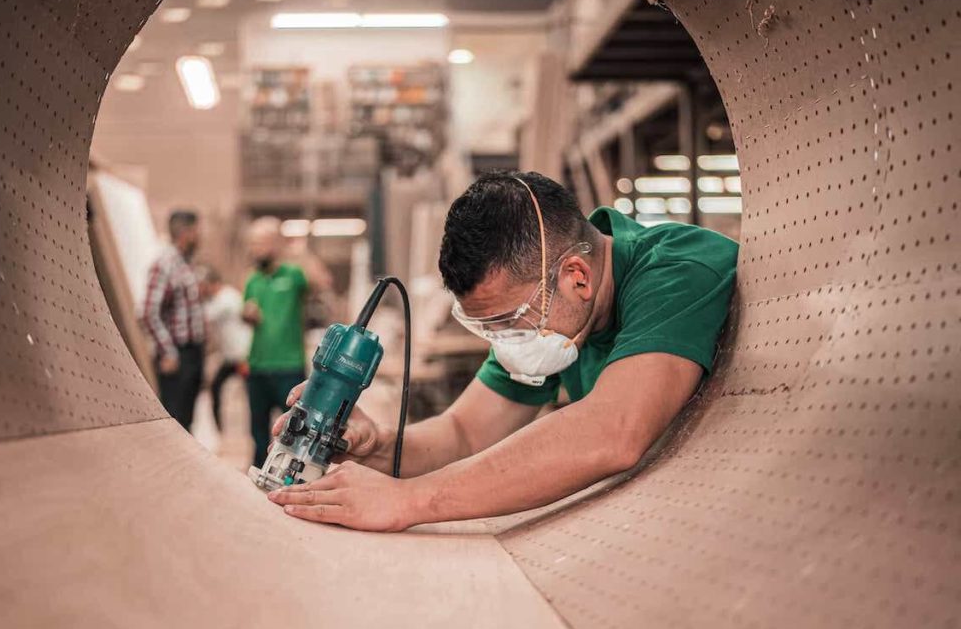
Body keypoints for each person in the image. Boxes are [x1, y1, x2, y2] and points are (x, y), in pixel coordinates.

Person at [268, 171, 738, 531]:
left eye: (510, 321)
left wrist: (410, 500)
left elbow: (613, 432)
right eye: (488, 326)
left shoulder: (677, 269)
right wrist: (375, 447)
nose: (507, 339)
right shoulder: (556, 317)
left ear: (577, 276)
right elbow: (463, 434)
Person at [242, 217, 318, 468]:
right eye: (252, 243)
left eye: (261, 243)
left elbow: (321, 281)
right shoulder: (252, 280)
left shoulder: (294, 275)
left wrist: (295, 249)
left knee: (295, 432)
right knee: (258, 434)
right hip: (258, 367)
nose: (255, 249)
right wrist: (247, 314)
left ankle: (291, 478)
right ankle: (258, 480)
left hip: (288, 366)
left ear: (276, 244)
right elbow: (248, 315)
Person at [142, 210, 206, 431]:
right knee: (175, 420)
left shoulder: (184, 263)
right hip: (177, 355)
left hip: (193, 352)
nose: (200, 237)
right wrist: (167, 351)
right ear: (186, 233)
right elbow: (149, 311)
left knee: (187, 420)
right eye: (197, 231)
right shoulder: (165, 264)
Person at [199, 266, 252, 432]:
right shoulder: (218, 299)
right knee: (215, 388)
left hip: (242, 356)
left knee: (252, 395)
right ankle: (220, 430)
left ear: (213, 284)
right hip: (231, 357)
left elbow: (206, 316)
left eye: (204, 286)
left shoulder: (227, 298)